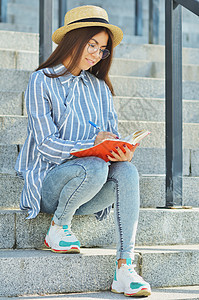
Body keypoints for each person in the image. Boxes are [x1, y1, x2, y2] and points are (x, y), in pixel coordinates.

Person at [15, 5, 151, 297]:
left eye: (102, 49)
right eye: (92, 45)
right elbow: (46, 145)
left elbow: (109, 137)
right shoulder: (42, 81)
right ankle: (58, 227)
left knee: (126, 170)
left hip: (88, 190)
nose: (97, 54)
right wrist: (91, 147)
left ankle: (125, 268)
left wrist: (119, 150)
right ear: (73, 40)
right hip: (50, 184)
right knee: (94, 165)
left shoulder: (100, 88)